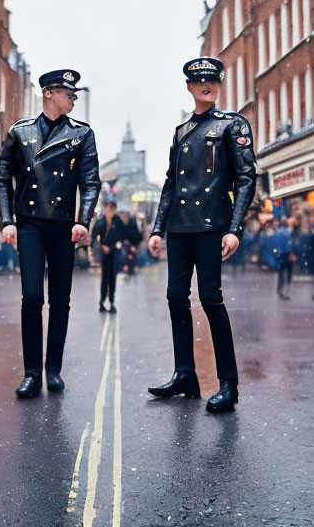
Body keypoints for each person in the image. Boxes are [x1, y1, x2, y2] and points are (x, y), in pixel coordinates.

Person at [147, 57, 256, 413]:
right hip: (179, 228)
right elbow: (170, 184)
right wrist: (157, 229)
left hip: (212, 227)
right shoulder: (180, 132)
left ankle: (229, 384)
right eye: (199, 81)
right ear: (189, 87)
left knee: (211, 299)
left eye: (212, 80)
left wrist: (234, 228)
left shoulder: (232, 125)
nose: (205, 85)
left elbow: (245, 178)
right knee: (175, 297)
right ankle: (185, 374)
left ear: (219, 85)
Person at [0, 69, 101, 399]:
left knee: (60, 300)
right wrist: (5, 221)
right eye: (68, 93)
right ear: (48, 94)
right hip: (29, 223)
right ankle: (31, 372)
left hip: (62, 225)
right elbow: (2, 180)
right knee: (32, 297)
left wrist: (84, 219)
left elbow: (91, 182)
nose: (73, 98)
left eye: (74, 93)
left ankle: (52, 368)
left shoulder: (82, 134)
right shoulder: (20, 131)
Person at [91, 200, 122, 312]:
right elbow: (94, 236)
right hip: (103, 254)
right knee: (104, 279)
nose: (109, 210)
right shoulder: (100, 221)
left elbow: (121, 237)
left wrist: (112, 247)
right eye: (107, 208)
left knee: (112, 278)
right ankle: (102, 302)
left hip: (114, 254)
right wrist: (102, 246)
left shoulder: (118, 221)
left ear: (114, 209)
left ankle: (112, 302)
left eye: (111, 208)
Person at [117, 209, 142, 275]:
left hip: (132, 244)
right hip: (122, 244)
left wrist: (133, 245)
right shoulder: (119, 223)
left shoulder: (132, 223)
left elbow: (136, 235)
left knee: (131, 257)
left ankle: (129, 268)